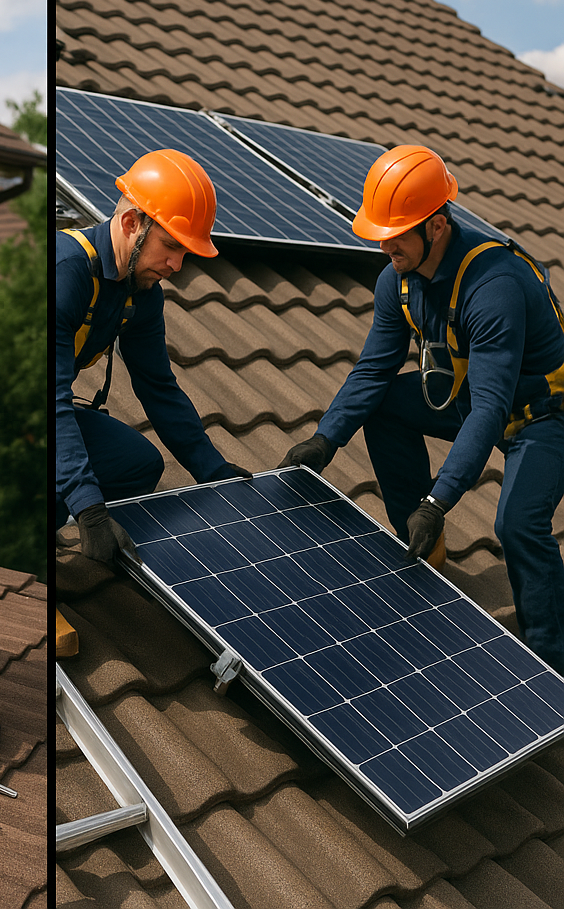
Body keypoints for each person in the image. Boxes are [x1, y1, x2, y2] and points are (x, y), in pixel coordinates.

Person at [280, 144, 564, 673]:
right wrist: (325, 440)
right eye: (380, 233)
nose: (384, 245)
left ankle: (552, 661)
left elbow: (490, 408)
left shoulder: (494, 286)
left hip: (544, 415)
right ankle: (423, 549)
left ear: (436, 226)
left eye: (397, 233)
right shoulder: (398, 279)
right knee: (383, 404)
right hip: (476, 397)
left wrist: (439, 502)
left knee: (519, 525)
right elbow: (373, 370)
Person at [56, 148, 250, 565]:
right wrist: (89, 509)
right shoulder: (65, 271)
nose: (176, 265)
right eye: (170, 246)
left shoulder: (140, 293)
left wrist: (213, 472)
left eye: (185, 252)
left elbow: (158, 387)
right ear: (131, 223)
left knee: (138, 463)